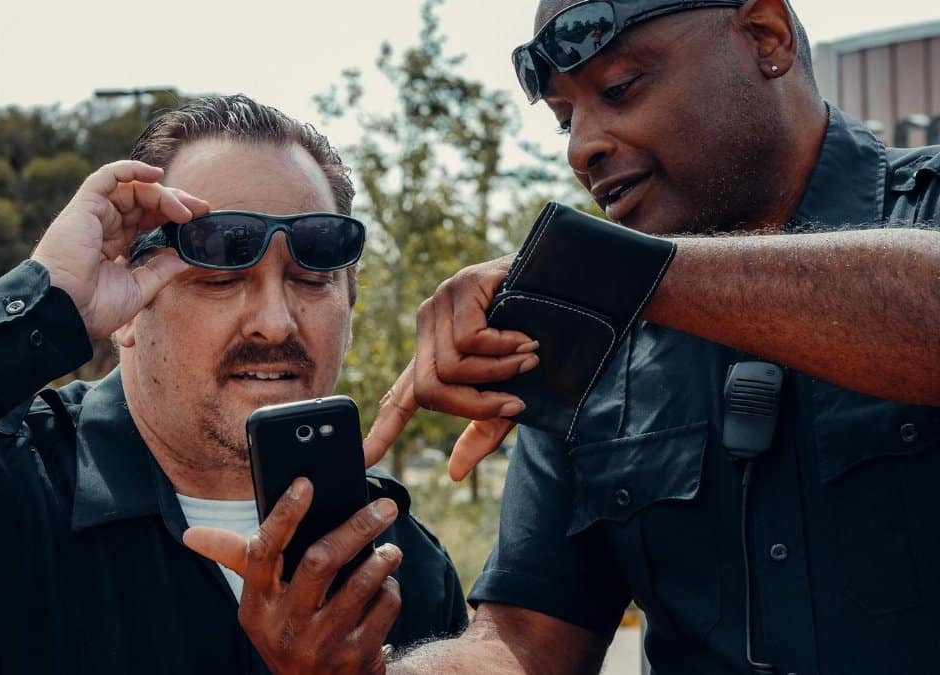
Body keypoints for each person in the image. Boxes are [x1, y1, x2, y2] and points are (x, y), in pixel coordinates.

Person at [189, 1, 940, 673]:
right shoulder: (588, 340)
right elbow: (523, 642)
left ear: (764, 35)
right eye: (562, 118)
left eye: (619, 90)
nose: (582, 148)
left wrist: (603, 274)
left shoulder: (924, 208)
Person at [0, 95, 466, 674]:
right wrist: (42, 299)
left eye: (311, 275)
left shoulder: (400, 560)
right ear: (124, 307)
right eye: (220, 271)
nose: (275, 320)